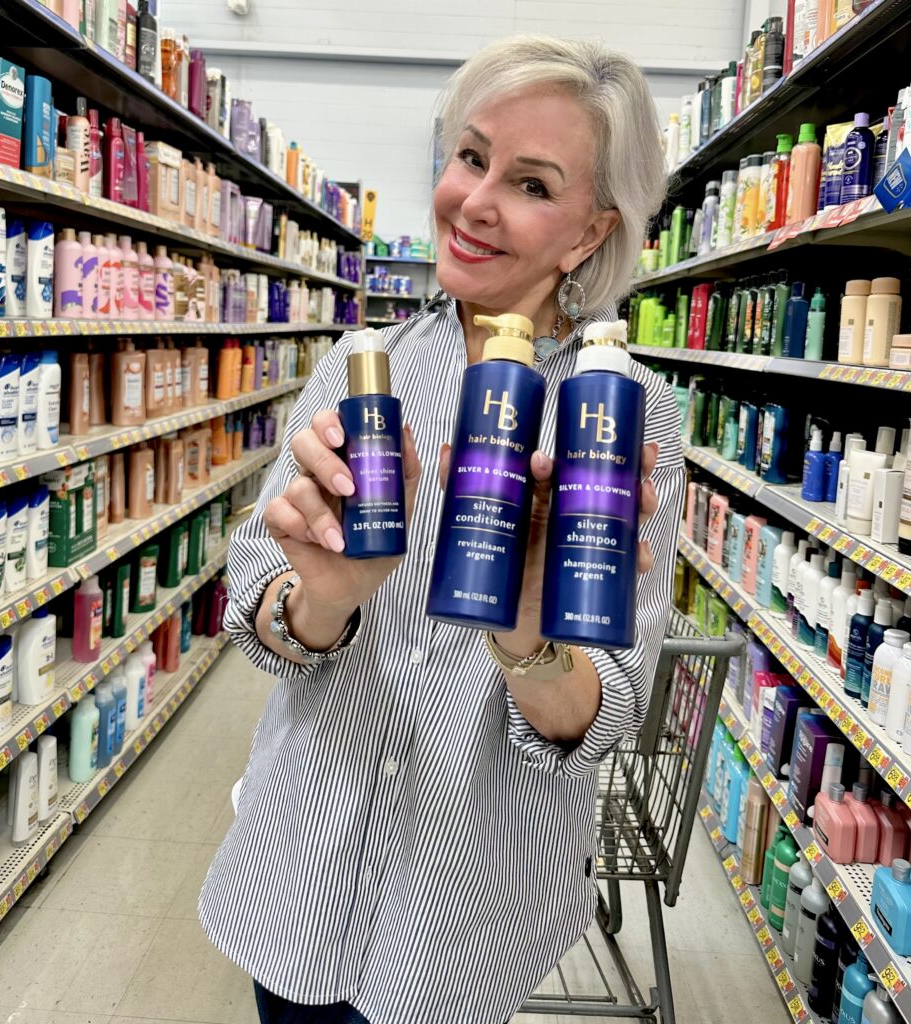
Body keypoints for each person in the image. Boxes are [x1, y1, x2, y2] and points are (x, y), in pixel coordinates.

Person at [199, 34, 684, 1024]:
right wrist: (321, 600)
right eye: (471, 158)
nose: (476, 200)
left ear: (590, 234)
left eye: (531, 183)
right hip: (299, 870)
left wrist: (532, 644)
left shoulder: (626, 418)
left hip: (466, 905)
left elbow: (605, 719)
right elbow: (253, 618)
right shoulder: (356, 369)